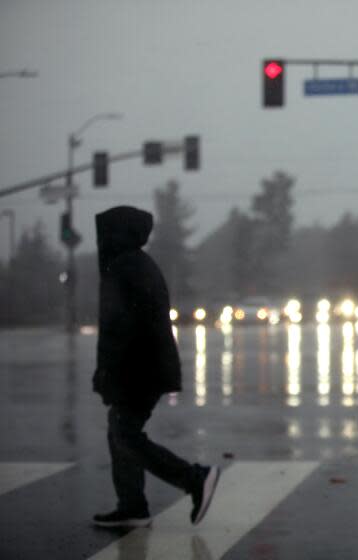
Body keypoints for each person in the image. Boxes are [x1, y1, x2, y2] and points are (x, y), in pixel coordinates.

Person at [91, 206, 219, 529]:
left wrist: (106, 373)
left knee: (125, 434)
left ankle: (194, 479)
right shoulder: (139, 264)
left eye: (104, 233)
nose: (100, 240)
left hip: (137, 370)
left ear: (116, 234)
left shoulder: (122, 268)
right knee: (120, 430)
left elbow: (116, 328)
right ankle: (132, 505)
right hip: (148, 366)